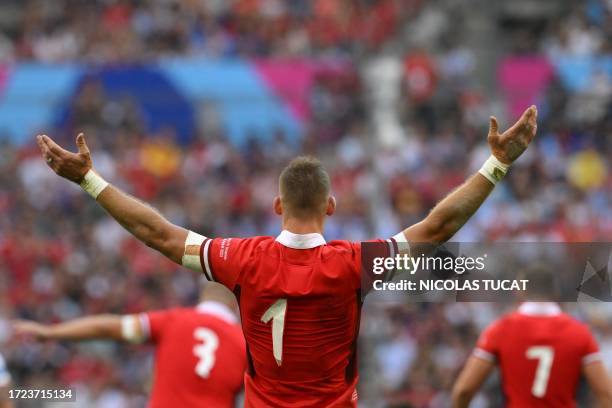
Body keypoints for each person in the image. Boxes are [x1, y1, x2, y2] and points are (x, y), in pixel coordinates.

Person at [35, 106, 538, 406]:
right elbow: (439, 227)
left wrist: (88, 179)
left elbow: (158, 234)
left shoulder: (241, 259)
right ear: (332, 207)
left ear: (277, 205)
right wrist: (496, 164)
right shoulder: (352, 264)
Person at [13, 283, 246, 408]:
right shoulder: (245, 346)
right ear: (236, 306)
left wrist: (51, 332)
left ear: (203, 297)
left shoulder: (173, 321)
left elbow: (107, 328)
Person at [452, 269, 612, 407]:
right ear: (555, 292)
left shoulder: (500, 330)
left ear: (520, 292)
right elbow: (607, 394)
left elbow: (464, 390)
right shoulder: (579, 333)